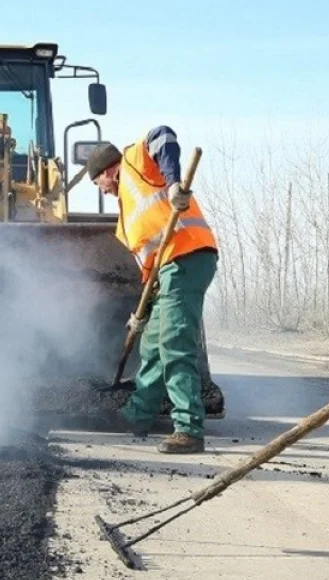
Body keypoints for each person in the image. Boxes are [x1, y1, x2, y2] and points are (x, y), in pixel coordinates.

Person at [85, 126, 219, 454]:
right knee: (152, 345)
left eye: (97, 182)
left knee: (174, 343)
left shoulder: (134, 162)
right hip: (166, 273)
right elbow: (149, 266)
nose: (100, 190)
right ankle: (138, 415)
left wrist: (173, 184)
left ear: (108, 170)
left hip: (187, 257)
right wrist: (141, 314)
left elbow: (163, 136)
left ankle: (188, 429)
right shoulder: (125, 219)